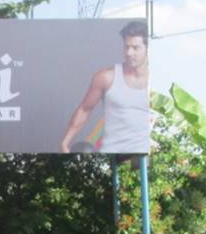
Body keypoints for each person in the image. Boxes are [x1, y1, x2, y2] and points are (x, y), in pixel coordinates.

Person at [59, 20, 150, 154]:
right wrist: (64, 143)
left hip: (144, 156)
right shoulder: (106, 77)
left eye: (135, 48)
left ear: (148, 49)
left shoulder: (155, 81)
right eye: (126, 47)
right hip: (112, 155)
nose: (129, 53)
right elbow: (84, 109)